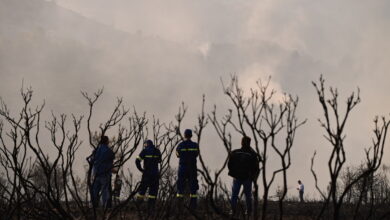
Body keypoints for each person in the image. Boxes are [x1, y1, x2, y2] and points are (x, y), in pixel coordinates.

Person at [228, 136, 260, 217]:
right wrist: (253, 177)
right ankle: (248, 211)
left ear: (241, 142)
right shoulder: (252, 154)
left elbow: (229, 164)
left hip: (238, 177)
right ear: (249, 143)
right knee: (248, 196)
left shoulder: (235, 152)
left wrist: (233, 173)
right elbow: (256, 167)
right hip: (247, 178)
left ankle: (233, 210)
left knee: (234, 194)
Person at [176, 129, 199, 210]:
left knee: (180, 188)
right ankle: (193, 207)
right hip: (192, 168)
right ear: (191, 135)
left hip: (182, 168)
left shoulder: (180, 145)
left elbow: (177, 155)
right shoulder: (195, 145)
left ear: (184, 135)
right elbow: (196, 154)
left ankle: (179, 207)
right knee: (193, 188)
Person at [135, 140, 162, 211]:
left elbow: (137, 161)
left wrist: (141, 169)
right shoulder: (157, 151)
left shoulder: (144, 151)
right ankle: (151, 209)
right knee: (153, 194)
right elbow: (159, 160)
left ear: (146, 144)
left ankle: (138, 207)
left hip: (146, 174)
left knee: (142, 192)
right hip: (155, 175)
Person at [90, 136, 115, 208]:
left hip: (96, 173)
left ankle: (94, 206)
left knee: (95, 191)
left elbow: (92, 160)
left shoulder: (96, 150)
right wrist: (111, 168)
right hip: (105, 173)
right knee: (105, 191)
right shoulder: (108, 151)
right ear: (107, 141)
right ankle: (105, 206)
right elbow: (112, 158)